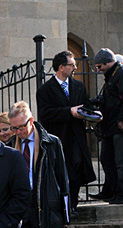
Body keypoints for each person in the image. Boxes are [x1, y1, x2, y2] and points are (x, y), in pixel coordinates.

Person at [36, 51, 97, 215]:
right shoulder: (45, 90)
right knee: (62, 173)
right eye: (72, 65)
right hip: (59, 137)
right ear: (61, 67)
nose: (75, 67)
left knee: (77, 169)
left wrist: (93, 114)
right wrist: (68, 111)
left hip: (77, 137)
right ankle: (64, 206)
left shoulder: (78, 86)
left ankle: (73, 205)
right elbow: (45, 114)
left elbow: (87, 105)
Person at [93, 48, 123, 204]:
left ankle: (120, 195)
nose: (98, 70)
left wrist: (121, 119)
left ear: (109, 62)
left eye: (100, 66)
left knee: (119, 162)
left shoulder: (120, 74)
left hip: (117, 127)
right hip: (109, 127)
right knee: (106, 159)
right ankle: (113, 192)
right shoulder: (110, 76)